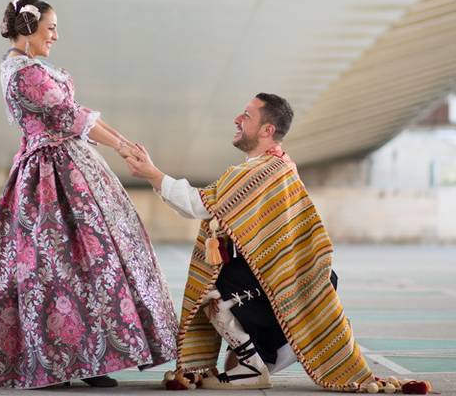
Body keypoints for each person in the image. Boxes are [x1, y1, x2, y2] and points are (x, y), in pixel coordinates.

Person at [0, 0, 177, 389]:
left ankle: (84, 361)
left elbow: (77, 115)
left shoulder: (23, 67)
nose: (55, 36)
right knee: (60, 267)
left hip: (60, 167)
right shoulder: (26, 74)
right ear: (27, 29)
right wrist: (121, 145)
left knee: (74, 267)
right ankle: (61, 365)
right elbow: (70, 116)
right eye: (50, 28)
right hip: (51, 176)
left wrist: (124, 141)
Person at [126, 93, 384, 392]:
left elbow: (201, 205)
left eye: (247, 115)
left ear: (267, 130)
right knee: (221, 289)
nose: (237, 119)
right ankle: (268, 351)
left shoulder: (264, 170)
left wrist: (153, 174)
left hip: (279, 286)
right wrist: (155, 179)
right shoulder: (275, 165)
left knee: (208, 291)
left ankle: (258, 361)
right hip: (284, 283)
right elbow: (207, 206)